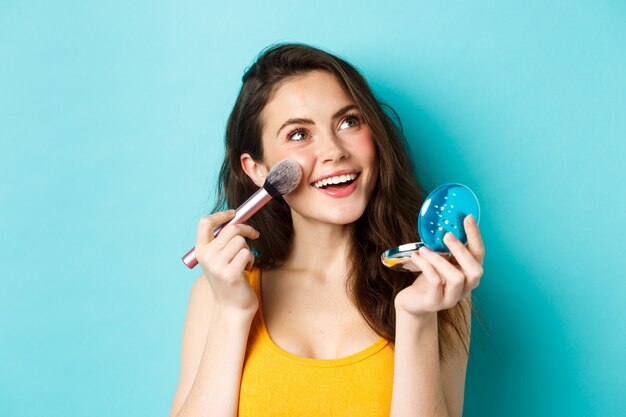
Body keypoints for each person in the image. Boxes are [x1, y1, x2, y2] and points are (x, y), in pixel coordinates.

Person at [169, 43, 485, 417]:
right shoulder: (216, 294)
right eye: (299, 135)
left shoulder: (438, 285)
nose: (334, 150)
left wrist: (416, 317)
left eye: (349, 121)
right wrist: (233, 312)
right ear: (256, 169)